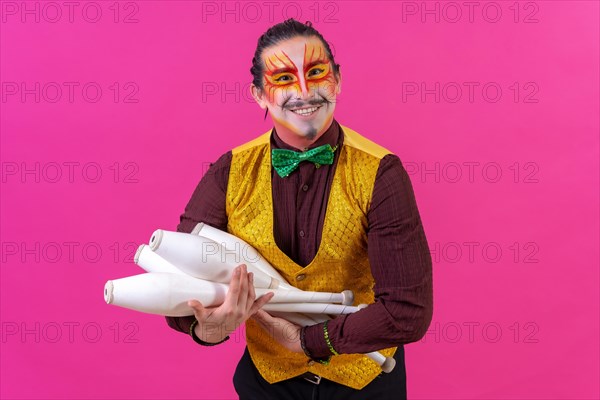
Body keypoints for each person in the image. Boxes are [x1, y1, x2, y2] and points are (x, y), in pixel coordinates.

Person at [165, 18, 433, 400]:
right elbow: (180, 286)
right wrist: (209, 329)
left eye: (317, 72)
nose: (304, 92)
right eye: (284, 79)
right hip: (266, 387)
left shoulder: (381, 172)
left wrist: (309, 341)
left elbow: (408, 310)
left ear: (337, 81)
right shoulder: (229, 172)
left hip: (368, 386)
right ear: (258, 94)